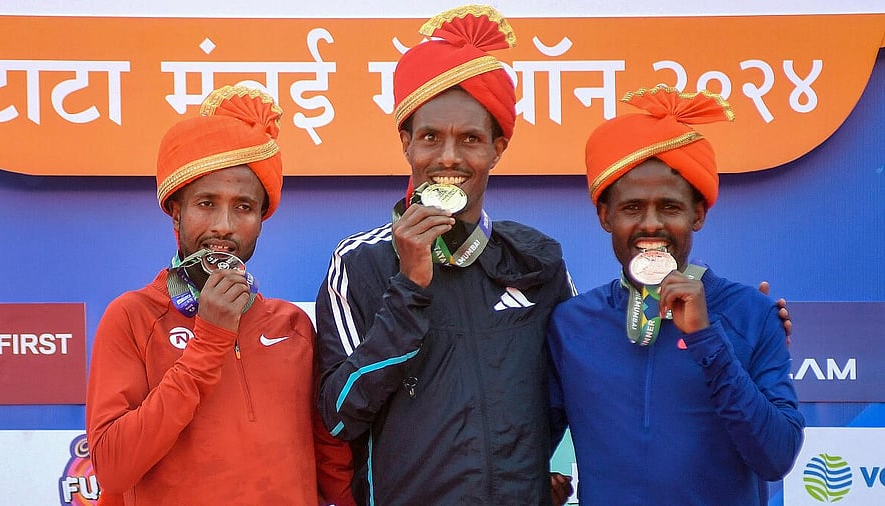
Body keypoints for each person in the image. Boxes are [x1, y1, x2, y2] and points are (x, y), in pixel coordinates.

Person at [313, 5, 576, 505]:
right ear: (406, 144)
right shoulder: (359, 263)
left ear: (497, 149)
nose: (450, 157)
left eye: (471, 139)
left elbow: (587, 379)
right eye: (431, 137)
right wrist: (409, 288)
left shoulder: (536, 260)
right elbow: (340, 413)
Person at [85, 85, 355, 506]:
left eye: (244, 207)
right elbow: (114, 467)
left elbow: (331, 462)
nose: (224, 226)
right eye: (206, 203)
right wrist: (208, 341)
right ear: (176, 211)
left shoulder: (293, 326)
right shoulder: (133, 317)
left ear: (262, 219)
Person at [547, 85, 805, 505]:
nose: (651, 225)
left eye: (670, 207)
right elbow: (527, 438)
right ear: (605, 216)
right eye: (632, 208)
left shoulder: (754, 314)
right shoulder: (571, 323)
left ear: (697, 214)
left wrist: (707, 337)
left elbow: (776, 457)